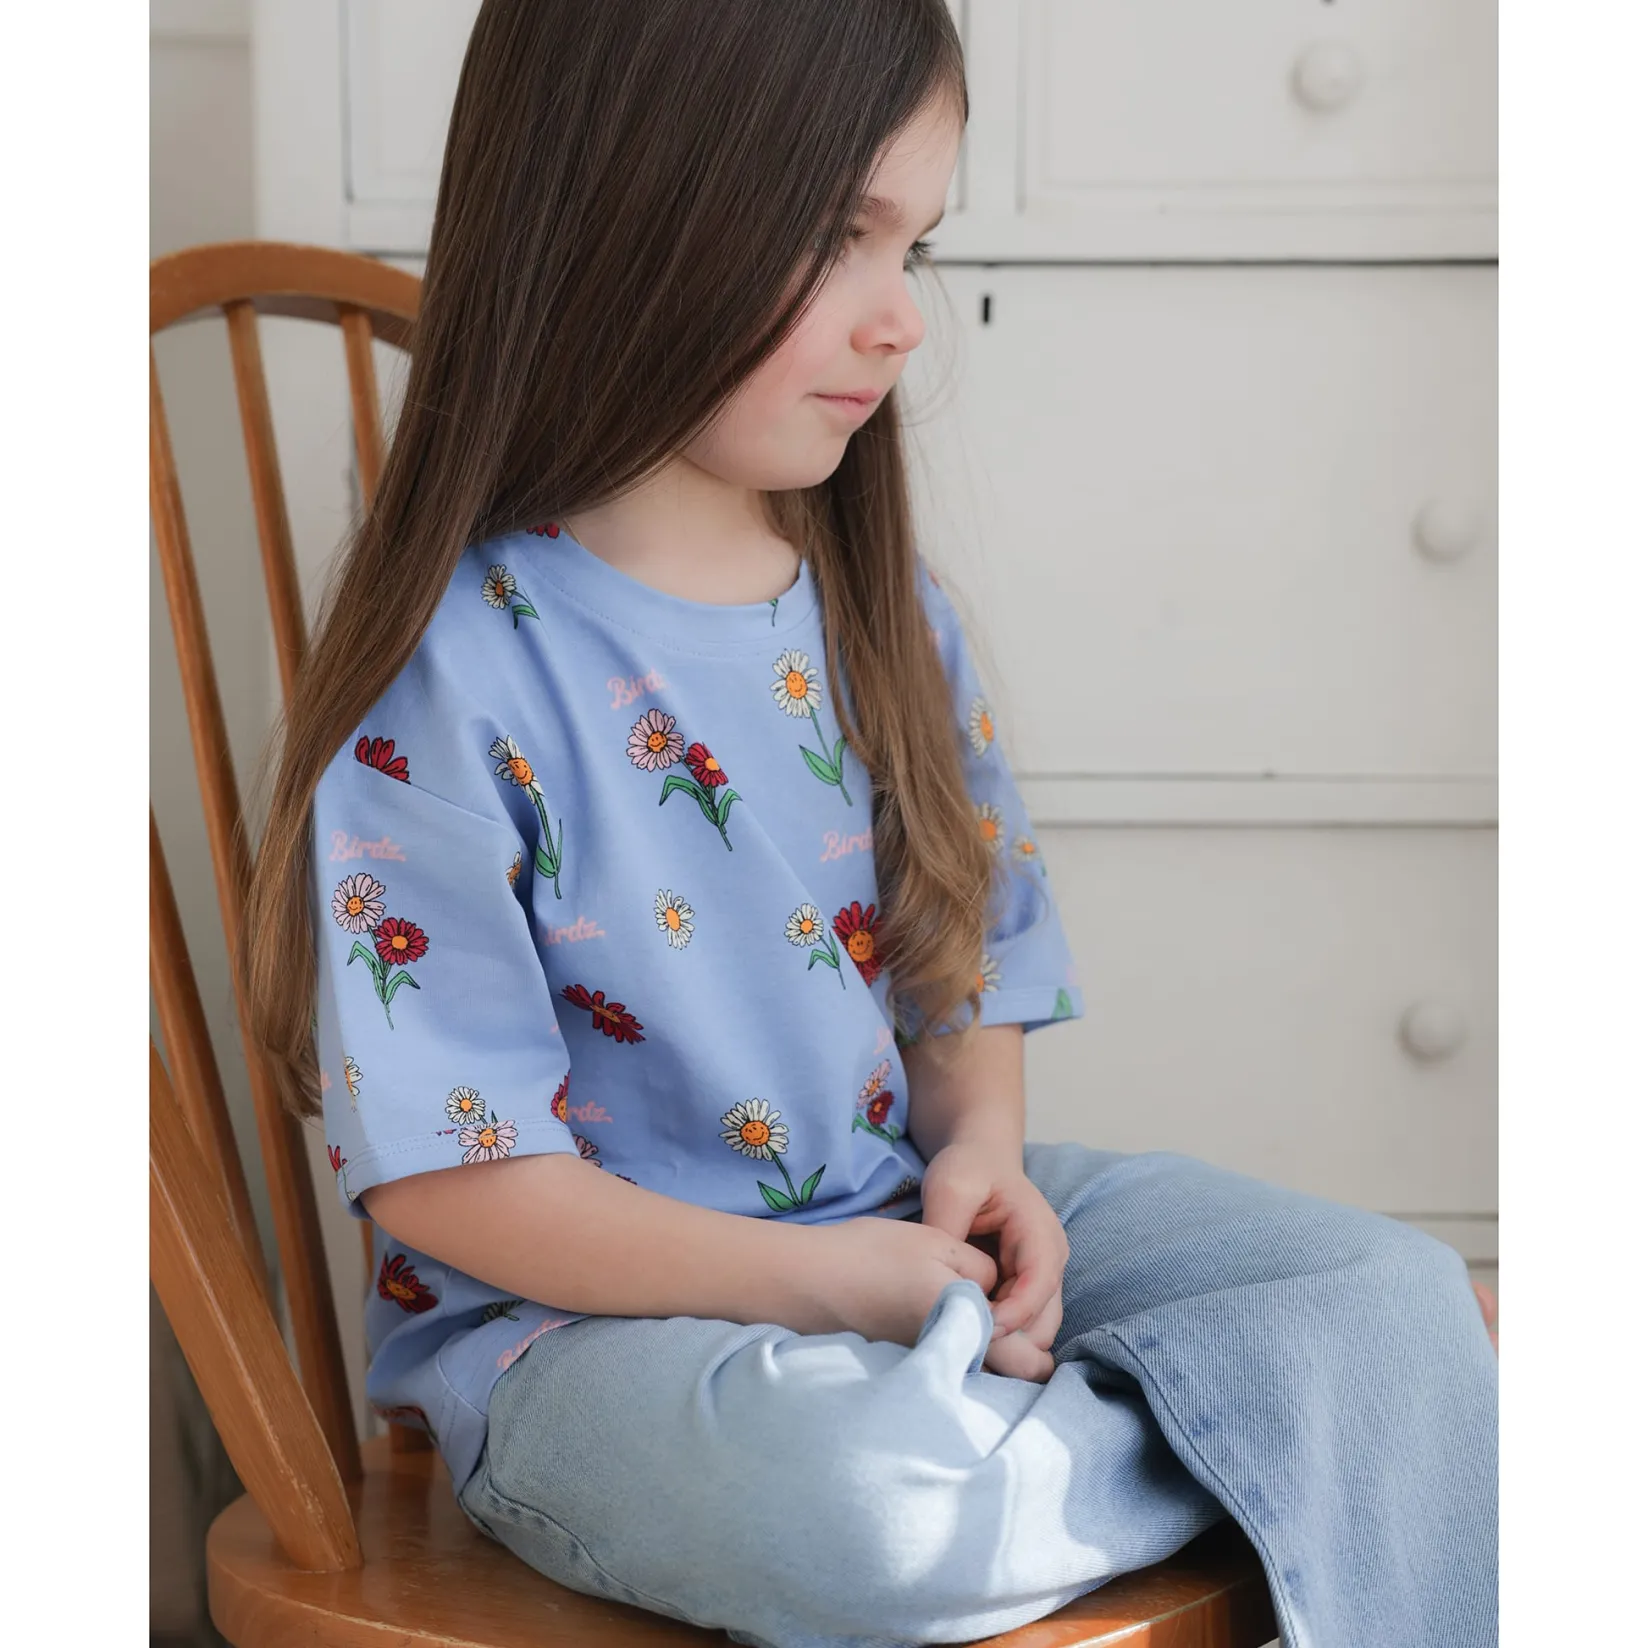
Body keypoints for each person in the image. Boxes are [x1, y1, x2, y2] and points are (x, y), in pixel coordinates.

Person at [241, 3, 1498, 1644]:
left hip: (900, 1231)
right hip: (578, 1344)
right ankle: (1261, 1430)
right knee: (874, 1509)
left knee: (1400, 1299)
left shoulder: (877, 604)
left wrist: (978, 1158)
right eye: (843, 234)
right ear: (628, 201)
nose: (903, 317)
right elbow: (453, 1179)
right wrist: (835, 1285)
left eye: (917, 244)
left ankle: (1196, 1416)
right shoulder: (450, 669)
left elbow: (962, 959)